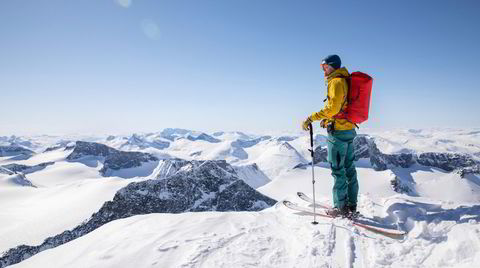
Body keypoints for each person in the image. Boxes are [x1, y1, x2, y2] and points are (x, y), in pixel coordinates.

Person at [301, 54, 359, 217]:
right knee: (349, 168)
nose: (323, 70)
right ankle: (351, 205)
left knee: (338, 169)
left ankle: (340, 208)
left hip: (338, 134)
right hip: (349, 129)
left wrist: (311, 117)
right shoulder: (345, 80)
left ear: (332, 66)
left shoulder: (336, 81)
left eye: (324, 67)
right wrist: (327, 119)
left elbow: (333, 109)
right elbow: (341, 107)